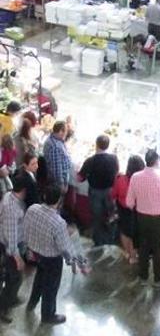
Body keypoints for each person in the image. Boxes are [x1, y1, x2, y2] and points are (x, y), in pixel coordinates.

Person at [23, 185, 83, 325]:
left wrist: (29, 247)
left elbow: (26, 228)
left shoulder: (33, 209)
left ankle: (32, 303)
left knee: (39, 280)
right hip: (52, 259)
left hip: (37, 253)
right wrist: (78, 262)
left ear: (44, 196)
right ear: (59, 201)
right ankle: (48, 315)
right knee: (51, 287)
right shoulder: (58, 222)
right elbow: (65, 248)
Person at [125, 150, 160, 287]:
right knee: (158, 249)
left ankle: (143, 276)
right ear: (157, 161)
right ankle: (158, 279)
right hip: (157, 220)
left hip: (141, 217)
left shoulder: (135, 176)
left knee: (143, 247)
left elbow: (129, 202)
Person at [78, 134, 119, 247]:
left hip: (95, 191)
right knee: (111, 215)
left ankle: (98, 242)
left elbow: (80, 178)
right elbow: (117, 173)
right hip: (110, 191)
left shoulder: (90, 161)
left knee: (97, 217)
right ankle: (111, 240)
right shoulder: (113, 159)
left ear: (96, 145)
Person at [0, 175, 26, 323]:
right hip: (10, 247)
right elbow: (10, 236)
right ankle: (4, 308)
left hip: (12, 244)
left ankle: (12, 298)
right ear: (23, 190)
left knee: (14, 277)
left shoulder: (10, 195)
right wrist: (17, 257)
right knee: (14, 278)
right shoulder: (12, 208)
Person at [111, 155, 144, 265]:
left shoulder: (120, 179)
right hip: (137, 209)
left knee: (124, 231)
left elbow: (113, 194)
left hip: (123, 209)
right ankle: (134, 256)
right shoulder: (142, 181)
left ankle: (128, 253)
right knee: (135, 233)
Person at [43, 121, 71, 192]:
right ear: (61, 131)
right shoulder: (55, 146)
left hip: (57, 179)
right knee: (58, 200)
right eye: (65, 131)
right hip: (58, 183)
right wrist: (61, 185)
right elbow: (57, 169)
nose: (66, 133)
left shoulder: (55, 139)